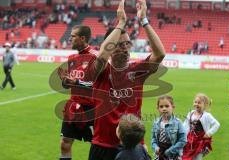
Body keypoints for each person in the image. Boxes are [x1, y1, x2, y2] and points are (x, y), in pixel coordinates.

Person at [85, 0, 166, 160]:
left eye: (127, 44)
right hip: (103, 145)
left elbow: (160, 54)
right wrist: (121, 23)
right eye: (120, 44)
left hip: (132, 146)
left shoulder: (137, 70)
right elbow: (101, 56)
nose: (125, 48)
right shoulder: (100, 71)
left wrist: (144, 20)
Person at [57, 25, 98, 160]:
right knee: (64, 144)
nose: (70, 39)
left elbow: (99, 87)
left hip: (92, 109)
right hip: (73, 107)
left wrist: (77, 83)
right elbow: (71, 83)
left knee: (98, 146)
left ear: (82, 38)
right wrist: (65, 81)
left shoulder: (95, 57)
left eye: (73, 36)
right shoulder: (72, 58)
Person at [182, 93, 220, 160]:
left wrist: (209, 133)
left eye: (199, 103)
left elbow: (217, 124)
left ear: (204, 105)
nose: (196, 104)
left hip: (201, 141)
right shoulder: (191, 113)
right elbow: (185, 126)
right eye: (195, 102)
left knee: (198, 157)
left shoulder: (207, 115)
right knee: (188, 157)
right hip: (190, 140)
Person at [151, 95, 187, 160]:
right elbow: (153, 139)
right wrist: (155, 147)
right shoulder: (156, 123)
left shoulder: (178, 123)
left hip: (173, 154)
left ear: (173, 107)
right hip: (160, 153)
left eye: (167, 106)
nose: (164, 109)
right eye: (161, 107)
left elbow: (183, 140)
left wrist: (170, 151)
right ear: (157, 108)